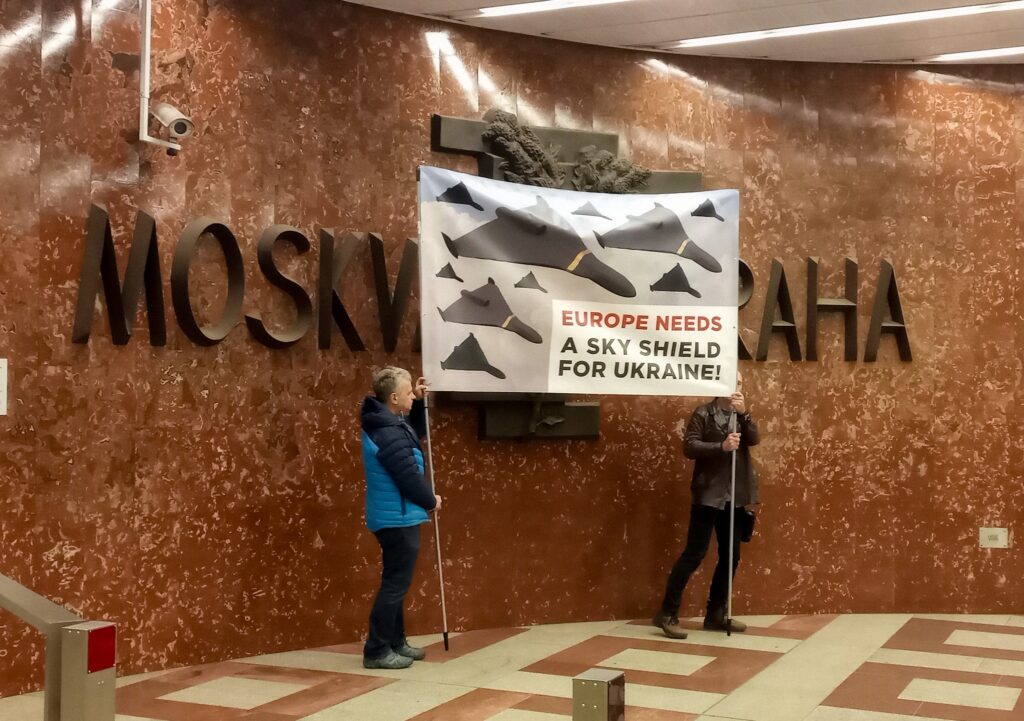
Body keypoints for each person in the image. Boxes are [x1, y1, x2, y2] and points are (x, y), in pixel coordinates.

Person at [653, 371, 760, 639]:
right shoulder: (703, 413)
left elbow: (754, 438)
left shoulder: (740, 416)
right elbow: (690, 447)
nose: (735, 388)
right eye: (731, 383)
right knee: (694, 554)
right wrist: (720, 447)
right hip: (709, 495)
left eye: (739, 383)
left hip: (734, 495)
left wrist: (745, 415)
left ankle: (716, 613)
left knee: (731, 556)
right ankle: (667, 613)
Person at [360, 366, 442, 669]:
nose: (412, 395)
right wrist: (431, 500)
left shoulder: (389, 423)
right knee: (395, 586)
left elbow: (415, 433)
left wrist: (419, 402)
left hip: (398, 515)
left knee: (396, 583)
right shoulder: (387, 431)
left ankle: (396, 642)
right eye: (408, 393)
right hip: (397, 518)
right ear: (394, 397)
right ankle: (377, 650)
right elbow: (407, 477)